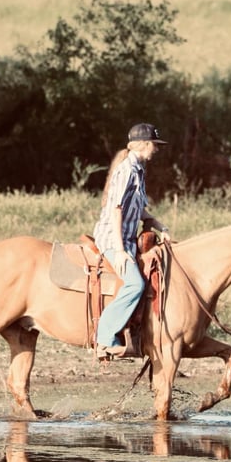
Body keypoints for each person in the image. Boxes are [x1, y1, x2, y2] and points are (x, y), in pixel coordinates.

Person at [93, 123, 171, 356]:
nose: (156, 150)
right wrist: (119, 250)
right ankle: (105, 337)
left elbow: (139, 210)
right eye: (154, 145)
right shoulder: (126, 170)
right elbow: (116, 209)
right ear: (144, 144)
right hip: (112, 238)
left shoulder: (139, 170)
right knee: (135, 284)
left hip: (125, 237)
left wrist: (159, 225)